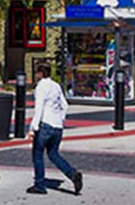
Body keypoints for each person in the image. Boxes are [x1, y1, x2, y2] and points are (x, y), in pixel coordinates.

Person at [26, 63, 82, 195]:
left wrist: (33, 128)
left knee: (37, 154)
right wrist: (60, 119)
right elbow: (65, 104)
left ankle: (39, 184)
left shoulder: (41, 87)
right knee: (53, 154)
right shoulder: (56, 86)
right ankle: (72, 173)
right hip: (57, 126)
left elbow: (38, 109)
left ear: (39, 73)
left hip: (45, 124)